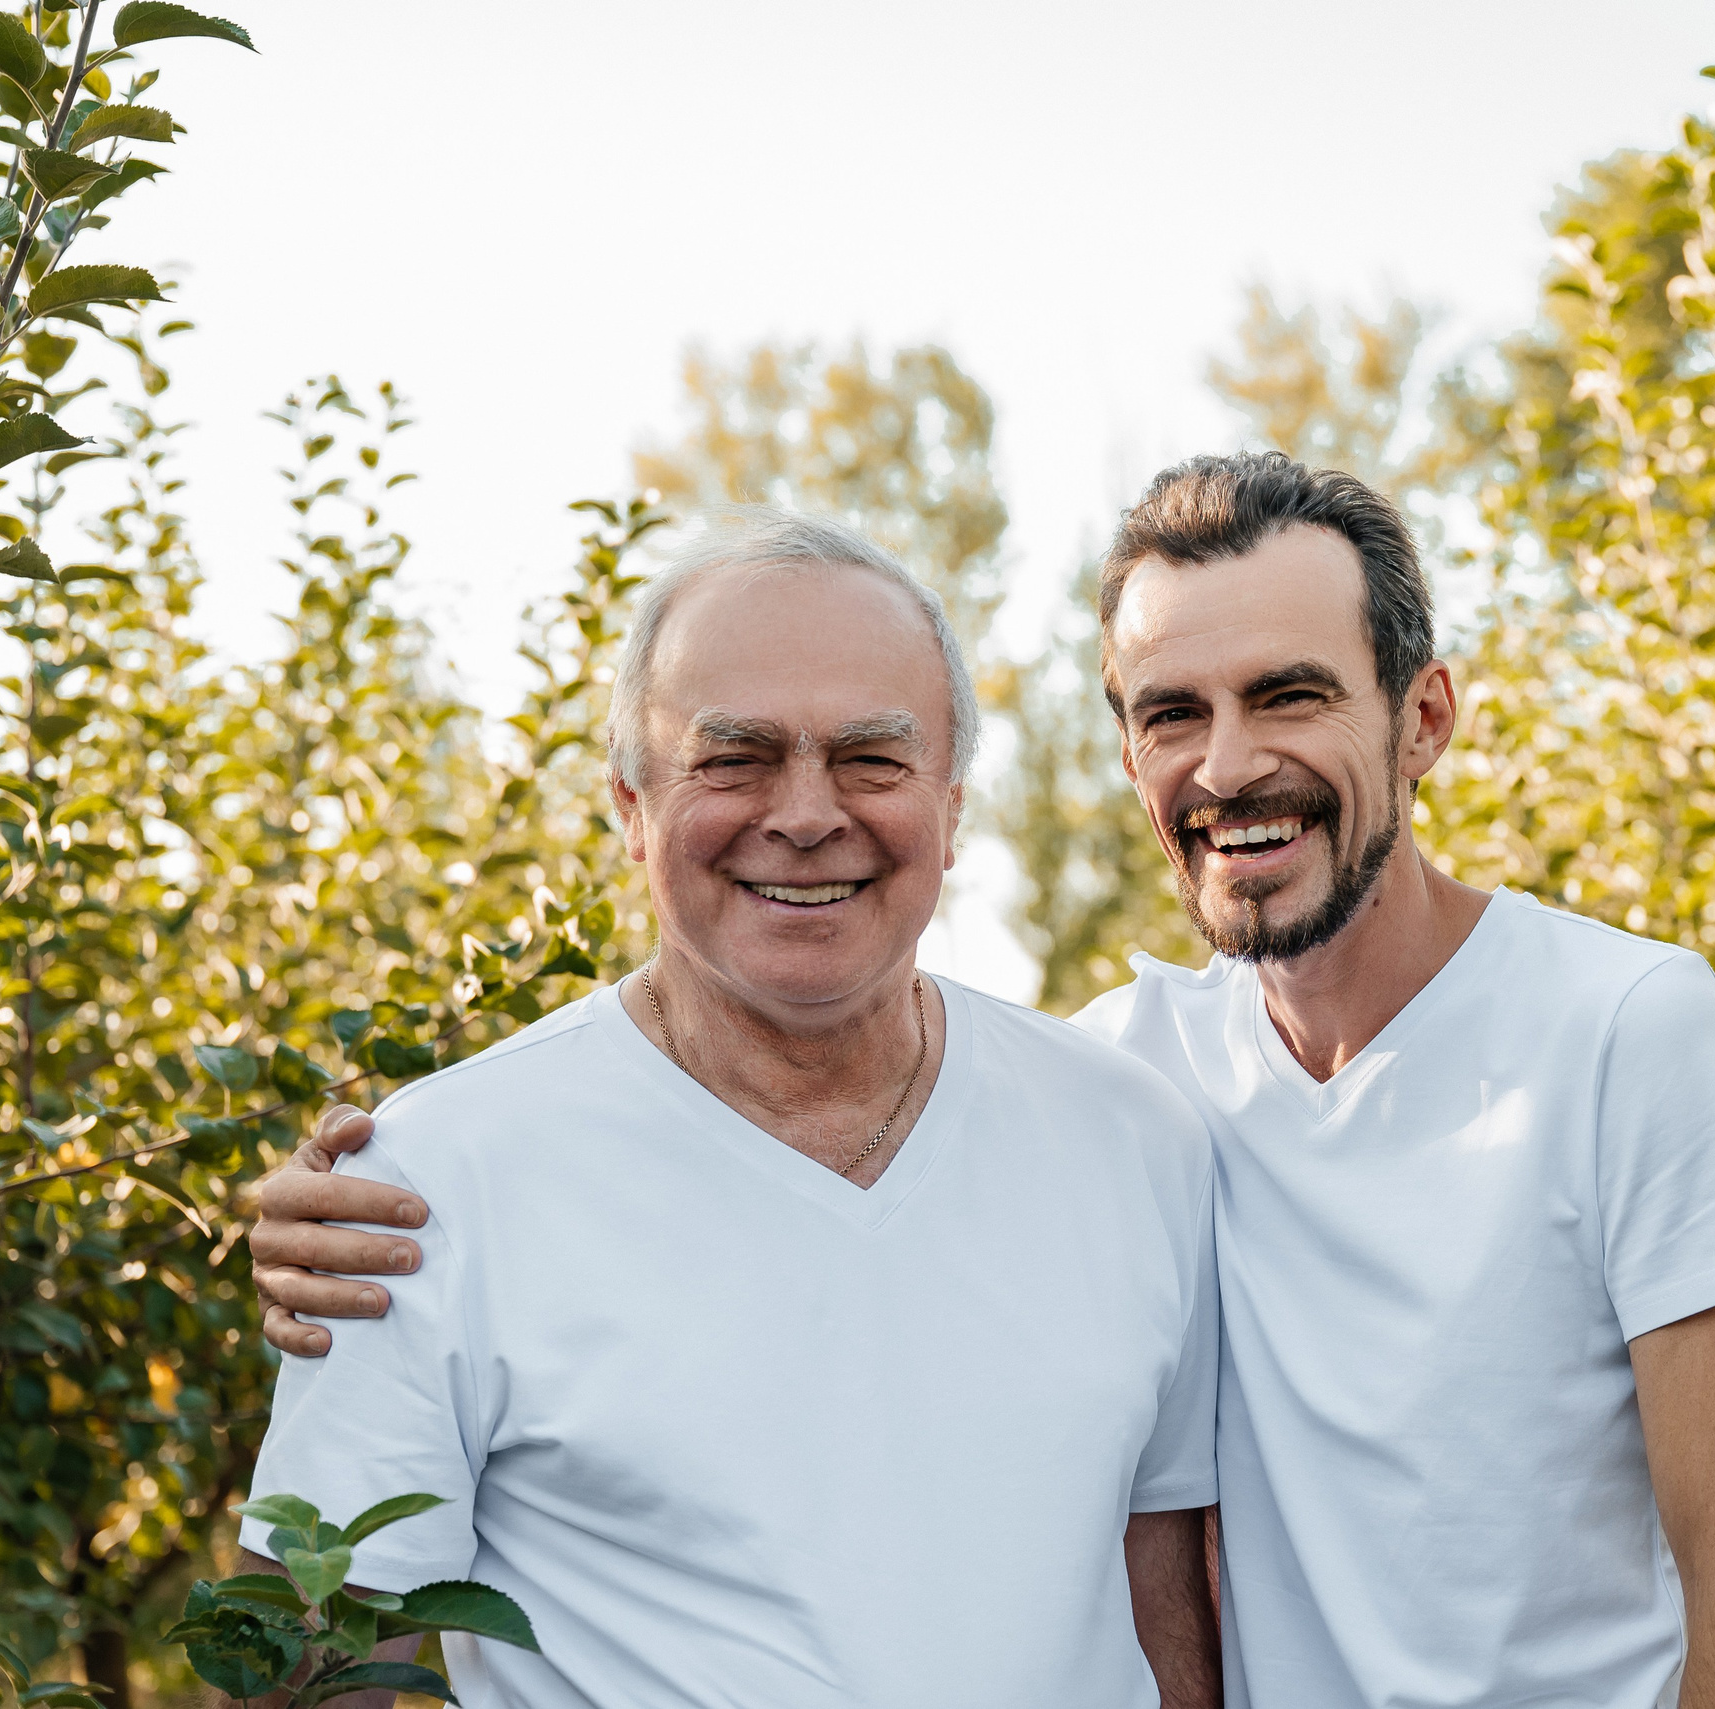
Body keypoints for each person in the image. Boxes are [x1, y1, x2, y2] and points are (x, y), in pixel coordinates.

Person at [255, 458, 1715, 1707]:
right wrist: (316, 1208)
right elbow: (331, 1651)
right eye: (1172, 713)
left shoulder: (1597, 1027)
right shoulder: (1145, 1076)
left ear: (1421, 720)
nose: (1227, 764)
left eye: (1290, 695)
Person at [236, 511, 1222, 1709]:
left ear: (952, 806)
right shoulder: (423, 1185)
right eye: (733, 757)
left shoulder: (1132, 1136)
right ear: (631, 807)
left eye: (871, 756)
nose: (806, 813)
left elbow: (1163, 1599)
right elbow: (314, 1661)